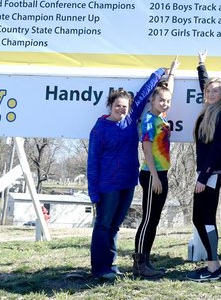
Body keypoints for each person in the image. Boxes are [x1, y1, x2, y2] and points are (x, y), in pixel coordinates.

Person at [87, 63, 172, 280]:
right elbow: (92, 163)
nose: (121, 110)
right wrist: (93, 192)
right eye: (118, 106)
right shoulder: (100, 129)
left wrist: (158, 74)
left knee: (115, 226)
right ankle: (100, 268)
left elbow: (144, 95)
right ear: (110, 105)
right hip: (108, 186)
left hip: (128, 182)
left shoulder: (131, 119)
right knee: (103, 225)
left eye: (125, 106)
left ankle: (111, 264)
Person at [133, 56, 180, 279]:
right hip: (152, 175)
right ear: (153, 100)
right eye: (161, 101)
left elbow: (167, 90)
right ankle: (140, 263)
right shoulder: (150, 120)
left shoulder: (161, 117)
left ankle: (147, 260)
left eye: (168, 101)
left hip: (161, 173)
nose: (165, 104)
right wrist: (155, 177)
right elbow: (147, 150)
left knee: (154, 218)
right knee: (149, 218)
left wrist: (172, 73)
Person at [187, 50, 221, 282]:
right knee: (198, 218)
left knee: (205, 219)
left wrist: (203, 178)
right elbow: (206, 83)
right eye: (209, 91)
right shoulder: (209, 108)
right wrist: (201, 64)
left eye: (216, 91)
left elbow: (216, 150)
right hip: (205, 172)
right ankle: (212, 264)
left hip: (212, 173)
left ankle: (214, 267)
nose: (211, 93)